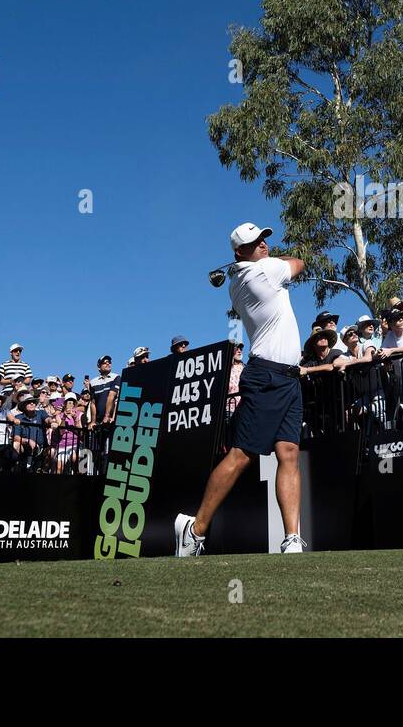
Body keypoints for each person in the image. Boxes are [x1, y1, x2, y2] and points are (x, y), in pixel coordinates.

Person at [175, 223, 309, 557]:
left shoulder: (240, 280)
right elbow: (300, 263)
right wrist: (277, 258)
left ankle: (292, 537)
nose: (263, 244)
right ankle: (195, 530)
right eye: (254, 242)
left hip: (288, 378)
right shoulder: (263, 272)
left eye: (264, 239)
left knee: (288, 452)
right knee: (241, 455)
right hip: (267, 377)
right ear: (239, 252)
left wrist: (264, 258)